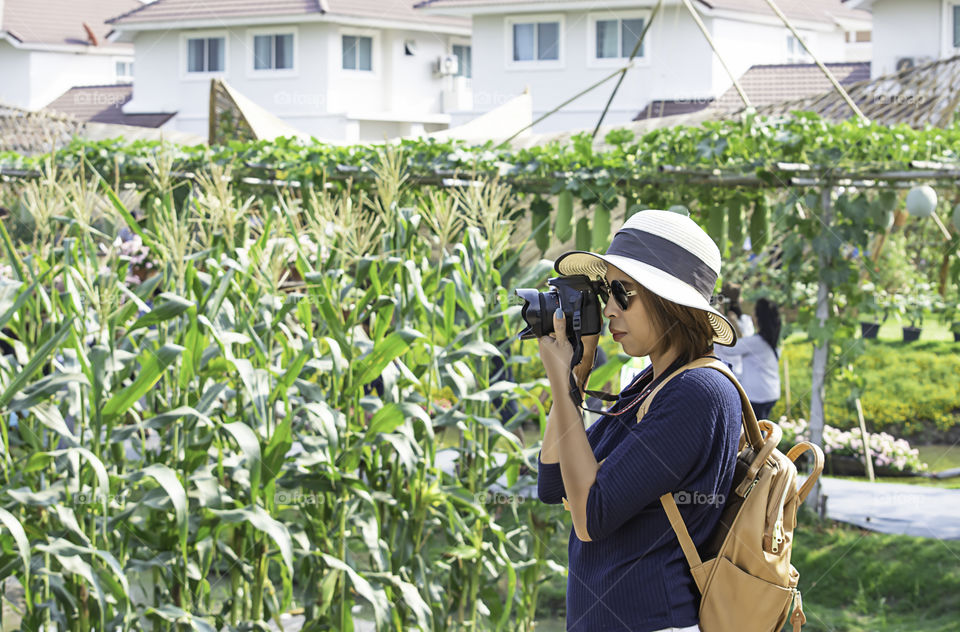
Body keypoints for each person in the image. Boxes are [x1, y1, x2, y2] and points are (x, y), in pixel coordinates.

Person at [535, 210, 742, 632]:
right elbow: (554, 483)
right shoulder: (651, 385)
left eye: (621, 292)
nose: (608, 309)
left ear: (669, 300)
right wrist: (576, 374)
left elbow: (590, 516)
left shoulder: (699, 393)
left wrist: (559, 379)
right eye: (605, 292)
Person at [714, 297, 782, 420]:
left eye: (754, 311)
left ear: (759, 318)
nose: (752, 314)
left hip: (758, 396)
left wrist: (720, 320)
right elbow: (743, 342)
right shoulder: (767, 341)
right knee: (761, 430)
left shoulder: (756, 342)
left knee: (754, 434)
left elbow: (727, 349)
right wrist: (734, 323)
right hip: (770, 393)